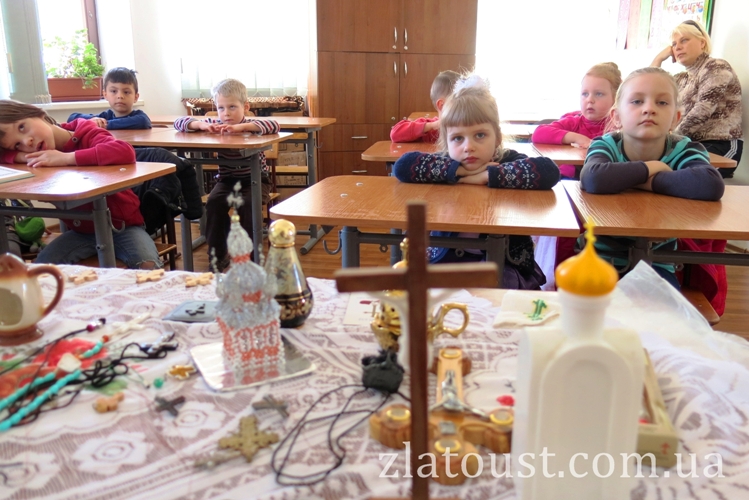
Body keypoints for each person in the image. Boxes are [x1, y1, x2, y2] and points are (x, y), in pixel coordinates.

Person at [393, 75, 560, 290]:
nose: (468, 147)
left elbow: (549, 171)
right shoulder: (445, 162)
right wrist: (461, 173)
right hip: (445, 259)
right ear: (446, 141)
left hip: (505, 262)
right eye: (458, 138)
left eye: (480, 135)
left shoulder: (506, 159)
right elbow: (403, 166)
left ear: (497, 137)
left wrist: (489, 175)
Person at [581, 67, 725, 294]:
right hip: (598, 258)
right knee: (590, 310)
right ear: (616, 117)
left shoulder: (684, 149)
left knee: (658, 311)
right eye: (637, 101)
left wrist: (646, 182)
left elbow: (710, 184)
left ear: (676, 118)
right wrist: (652, 167)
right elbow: (593, 178)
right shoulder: (606, 144)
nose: (649, 109)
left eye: (662, 103)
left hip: (657, 263)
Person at [0, 100, 162, 269]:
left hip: (123, 228)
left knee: (148, 266)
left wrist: (66, 158)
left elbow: (124, 151)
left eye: (22, 127)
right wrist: (21, 157)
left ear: (38, 113)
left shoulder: (86, 132)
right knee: (41, 269)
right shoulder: (39, 156)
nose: (27, 142)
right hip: (80, 233)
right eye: (17, 145)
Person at [174, 78, 280, 271]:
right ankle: (218, 255)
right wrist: (201, 125)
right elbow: (179, 122)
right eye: (221, 108)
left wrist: (242, 128)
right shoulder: (216, 123)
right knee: (214, 203)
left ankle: (249, 259)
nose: (226, 113)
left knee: (248, 205)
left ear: (245, 107)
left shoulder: (252, 125)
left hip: (256, 180)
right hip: (227, 180)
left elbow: (273, 125)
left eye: (232, 107)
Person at [651, 20, 743, 178]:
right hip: (688, 144)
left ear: (702, 42)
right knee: (649, 169)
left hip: (720, 145)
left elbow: (703, 109)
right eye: (674, 44)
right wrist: (658, 59)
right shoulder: (681, 78)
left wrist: (668, 141)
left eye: (684, 40)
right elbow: (649, 91)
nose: (677, 47)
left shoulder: (717, 66)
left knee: (674, 176)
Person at [532, 62, 622, 180]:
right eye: (585, 94)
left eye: (599, 94)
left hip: (603, 181)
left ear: (616, 99)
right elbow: (539, 133)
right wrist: (578, 138)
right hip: (565, 180)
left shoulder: (619, 127)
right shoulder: (574, 122)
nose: (590, 100)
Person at [67, 67, 152, 130]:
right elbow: (72, 117)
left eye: (126, 92)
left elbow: (144, 122)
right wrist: (93, 120)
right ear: (105, 95)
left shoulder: (140, 117)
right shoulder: (106, 116)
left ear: (135, 97)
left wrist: (105, 125)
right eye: (114, 91)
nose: (120, 96)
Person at [390, 70, 460, 143]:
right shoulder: (431, 128)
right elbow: (395, 133)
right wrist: (431, 126)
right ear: (441, 105)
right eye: (460, 103)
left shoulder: (466, 128)